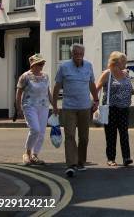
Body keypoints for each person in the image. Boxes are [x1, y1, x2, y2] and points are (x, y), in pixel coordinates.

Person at [51, 44, 99, 177]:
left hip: (85, 107)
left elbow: (92, 84)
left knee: (84, 137)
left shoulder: (88, 66)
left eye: (80, 54)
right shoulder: (64, 67)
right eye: (76, 54)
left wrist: (96, 100)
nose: (78, 57)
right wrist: (54, 105)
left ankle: (81, 162)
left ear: (83, 54)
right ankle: (70, 164)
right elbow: (57, 86)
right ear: (71, 54)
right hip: (69, 108)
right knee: (70, 136)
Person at [95, 51, 134, 167]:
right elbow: (96, 88)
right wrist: (94, 102)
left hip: (124, 108)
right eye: (123, 61)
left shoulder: (126, 74)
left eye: (125, 61)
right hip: (111, 108)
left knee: (124, 133)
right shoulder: (107, 74)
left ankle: (126, 157)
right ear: (115, 62)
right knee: (111, 134)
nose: (125, 64)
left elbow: (127, 88)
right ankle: (111, 159)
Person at [16, 54, 52, 166]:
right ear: (33, 65)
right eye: (39, 64)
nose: (41, 66)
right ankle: (27, 153)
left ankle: (35, 155)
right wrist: (18, 108)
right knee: (35, 129)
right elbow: (19, 93)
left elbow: (48, 92)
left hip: (44, 106)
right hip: (29, 105)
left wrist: (54, 106)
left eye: (42, 64)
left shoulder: (45, 76)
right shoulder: (25, 76)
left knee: (41, 132)